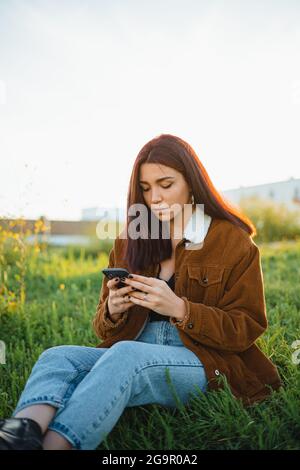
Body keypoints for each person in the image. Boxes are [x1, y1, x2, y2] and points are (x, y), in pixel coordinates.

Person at [0, 133, 282, 450]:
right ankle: (19, 436)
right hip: (135, 347)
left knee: (125, 356)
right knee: (58, 358)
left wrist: (181, 309)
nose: (155, 198)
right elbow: (101, 326)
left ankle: (55, 445)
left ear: (191, 181)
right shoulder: (131, 238)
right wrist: (113, 310)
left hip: (203, 360)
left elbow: (246, 327)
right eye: (146, 189)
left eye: (166, 184)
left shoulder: (231, 240)